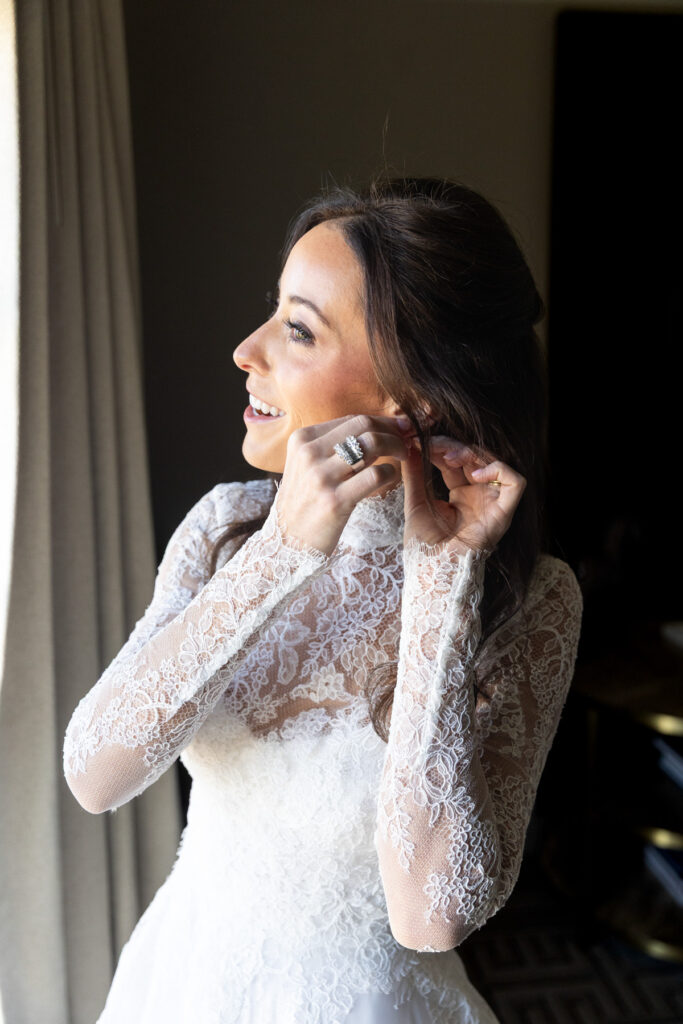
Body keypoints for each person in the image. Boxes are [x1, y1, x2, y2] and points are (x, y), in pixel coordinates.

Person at [63, 176, 583, 1023]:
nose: (247, 349)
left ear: (411, 398)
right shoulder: (226, 529)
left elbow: (431, 917)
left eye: (298, 329)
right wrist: (280, 553)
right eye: (272, 310)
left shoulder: (533, 600)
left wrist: (443, 583)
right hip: (179, 984)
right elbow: (93, 775)